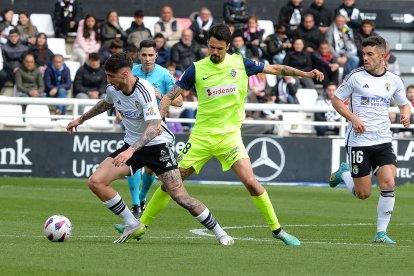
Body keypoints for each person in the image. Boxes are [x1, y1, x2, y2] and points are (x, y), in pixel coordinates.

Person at [156, 24, 324, 246]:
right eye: (211, 47)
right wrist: (158, 119)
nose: (214, 52)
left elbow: (275, 69)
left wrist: (305, 73)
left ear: (228, 46)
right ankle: (141, 225)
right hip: (201, 139)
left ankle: (277, 230)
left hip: (230, 138)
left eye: (219, 48)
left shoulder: (241, 63)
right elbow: (170, 96)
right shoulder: (196, 69)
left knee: (252, 182)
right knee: (171, 183)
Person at [66, 52, 234, 245]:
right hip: (132, 146)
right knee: (96, 182)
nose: (107, 80)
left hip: (156, 146)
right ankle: (132, 223)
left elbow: (154, 128)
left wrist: (130, 151)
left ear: (126, 74)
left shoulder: (144, 90)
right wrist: (81, 119)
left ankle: (221, 233)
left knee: (180, 196)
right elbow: (106, 103)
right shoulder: (113, 88)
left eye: (111, 76)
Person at [329, 35, 411, 244]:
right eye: (363, 54)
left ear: (383, 56)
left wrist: (405, 114)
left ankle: (381, 233)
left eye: (370, 54)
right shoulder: (355, 77)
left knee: (388, 181)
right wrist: (353, 118)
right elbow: (336, 101)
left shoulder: (393, 80)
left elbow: (404, 103)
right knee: (363, 193)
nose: (365, 58)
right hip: (359, 140)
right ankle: (344, 173)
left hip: (383, 138)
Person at [115, 39, 182, 223]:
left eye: (150, 55)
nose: (147, 59)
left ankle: (142, 198)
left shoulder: (164, 75)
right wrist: (118, 109)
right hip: (135, 123)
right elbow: (118, 92)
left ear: (156, 56)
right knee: (132, 159)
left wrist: (160, 95)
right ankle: (136, 204)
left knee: (151, 169)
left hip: (156, 125)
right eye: (143, 55)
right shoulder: (131, 72)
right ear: (138, 55)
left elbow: (179, 101)